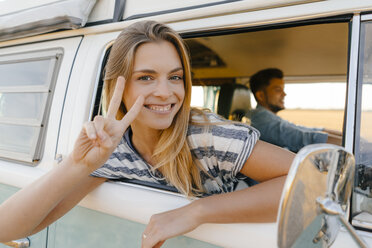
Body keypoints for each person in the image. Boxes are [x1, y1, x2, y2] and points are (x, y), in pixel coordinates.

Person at [0, 21, 294, 248]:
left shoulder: (209, 136)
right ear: (118, 88)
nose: (166, 93)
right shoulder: (113, 150)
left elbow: (310, 181)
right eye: (146, 78)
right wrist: (79, 164)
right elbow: (7, 229)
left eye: (175, 77)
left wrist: (196, 211)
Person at [247, 68, 342, 153]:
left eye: (283, 90)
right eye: (278, 90)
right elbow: (300, 138)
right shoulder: (261, 118)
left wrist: (328, 131)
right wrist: (348, 143)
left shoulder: (269, 117)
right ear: (260, 95)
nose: (284, 94)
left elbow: (299, 128)